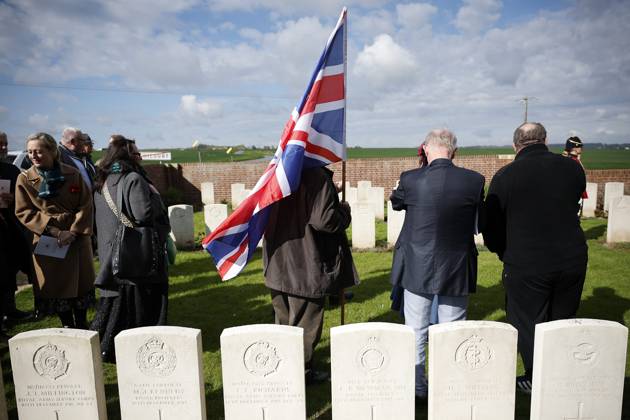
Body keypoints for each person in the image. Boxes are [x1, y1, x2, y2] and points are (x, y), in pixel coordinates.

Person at [483, 122, 588, 394]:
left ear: (515, 144)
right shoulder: (572, 169)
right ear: (546, 140)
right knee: (562, 318)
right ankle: (562, 374)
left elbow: (490, 224)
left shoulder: (506, 176)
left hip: (527, 262)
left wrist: (504, 252)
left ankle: (537, 379)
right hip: (571, 258)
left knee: (528, 322)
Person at [390, 128, 484, 400]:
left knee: (416, 329)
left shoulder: (410, 179)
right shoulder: (474, 181)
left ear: (426, 149)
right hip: (456, 263)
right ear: (453, 151)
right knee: (452, 330)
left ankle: (418, 387)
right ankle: (448, 387)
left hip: (417, 262)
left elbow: (396, 203)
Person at [263, 166, 359, 383]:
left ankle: (283, 369)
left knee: (284, 321)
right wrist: (344, 211)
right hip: (305, 263)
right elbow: (325, 220)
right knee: (305, 326)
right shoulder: (317, 175)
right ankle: (300, 375)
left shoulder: (280, 168)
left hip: (278, 260)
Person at [90, 135, 170, 362]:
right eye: (136, 153)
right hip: (135, 252)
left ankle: (107, 348)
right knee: (139, 304)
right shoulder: (133, 178)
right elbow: (142, 215)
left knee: (116, 305)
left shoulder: (102, 180)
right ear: (126, 155)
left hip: (112, 251)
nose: (140, 157)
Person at [14, 132, 95, 329]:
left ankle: (83, 325)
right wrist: (55, 231)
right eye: (30, 152)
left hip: (76, 239)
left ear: (52, 151)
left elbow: (86, 204)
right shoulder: (24, 179)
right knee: (58, 286)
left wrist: (73, 231)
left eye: (39, 151)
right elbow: (24, 211)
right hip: (49, 240)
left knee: (80, 285)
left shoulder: (72, 173)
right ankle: (67, 326)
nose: (33, 156)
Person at [0, 132, 33, 336]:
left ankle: (10, 310)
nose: (3, 147)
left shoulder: (11, 170)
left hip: (10, 227)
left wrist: (13, 198)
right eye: (0, 144)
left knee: (10, 269)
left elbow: (25, 197)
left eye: (5, 144)